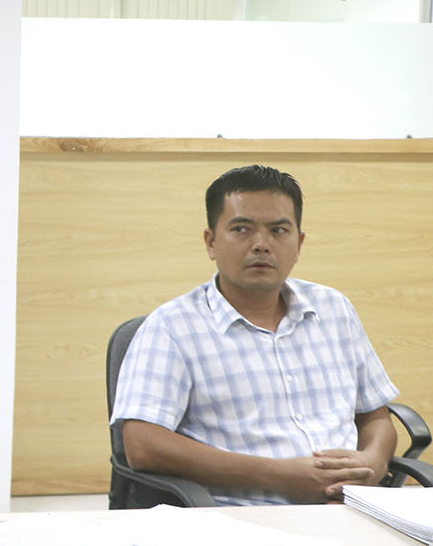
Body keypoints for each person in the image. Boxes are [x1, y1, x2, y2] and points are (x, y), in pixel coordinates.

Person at [111, 164, 399, 506]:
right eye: (241, 229)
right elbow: (142, 444)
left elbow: (375, 416)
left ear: (299, 243)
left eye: (278, 230)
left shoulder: (334, 309)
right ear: (211, 243)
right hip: (244, 517)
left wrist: (374, 461)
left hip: (353, 509)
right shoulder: (172, 327)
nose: (262, 245)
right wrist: (278, 476)